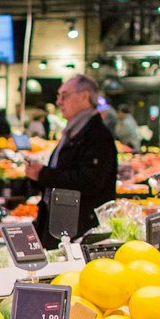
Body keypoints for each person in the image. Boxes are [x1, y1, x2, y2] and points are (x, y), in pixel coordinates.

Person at [23, 74, 117, 245]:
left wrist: (43, 174)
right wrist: (38, 176)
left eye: (64, 95)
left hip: (79, 233)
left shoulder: (97, 135)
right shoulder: (74, 131)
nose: (59, 102)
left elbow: (89, 180)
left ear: (84, 96)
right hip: (62, 227)